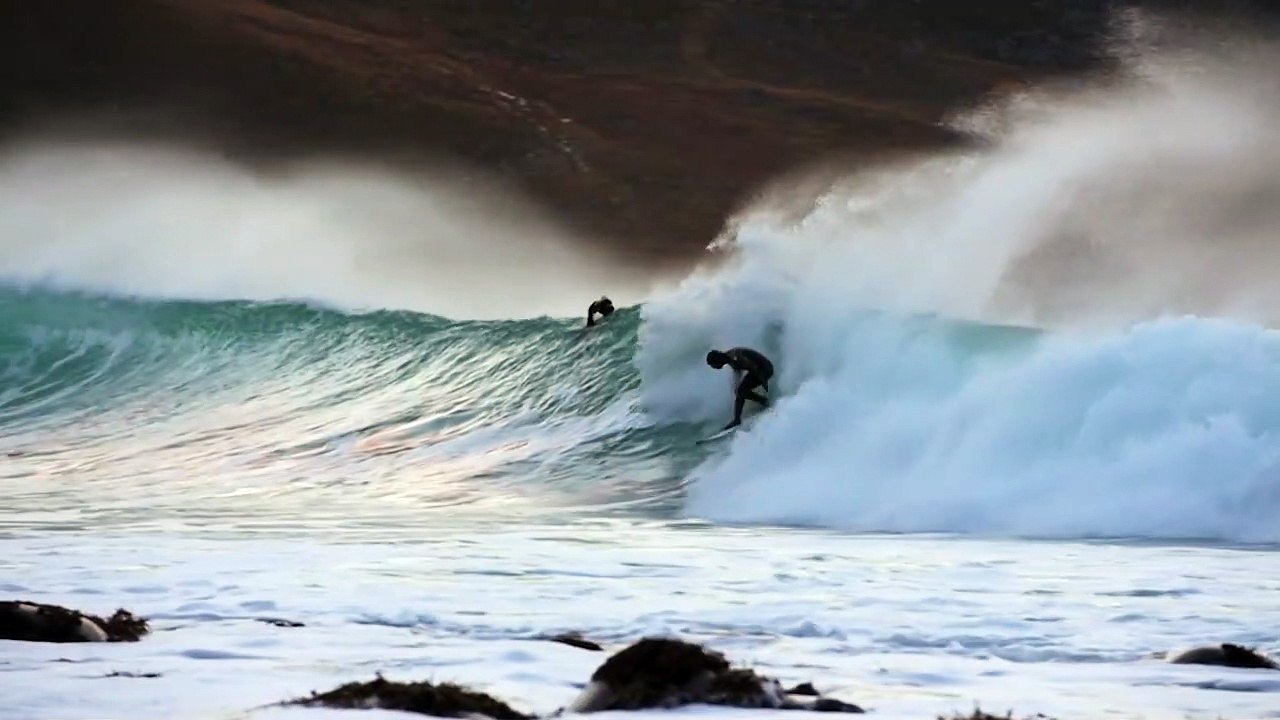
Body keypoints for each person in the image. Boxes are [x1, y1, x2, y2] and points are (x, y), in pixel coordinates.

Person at [705, 346, 774, 430]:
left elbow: (752, 365)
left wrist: (763, 380)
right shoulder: (729, 359)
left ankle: (762, 402)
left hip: (764, 369)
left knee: (741, 390)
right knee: (740, 391)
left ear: (717, 360)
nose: (714, 368)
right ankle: (738, 418)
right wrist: (736, 386)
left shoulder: (735, 356)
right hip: (758, 370)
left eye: (713, 365)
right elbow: (737, 371)